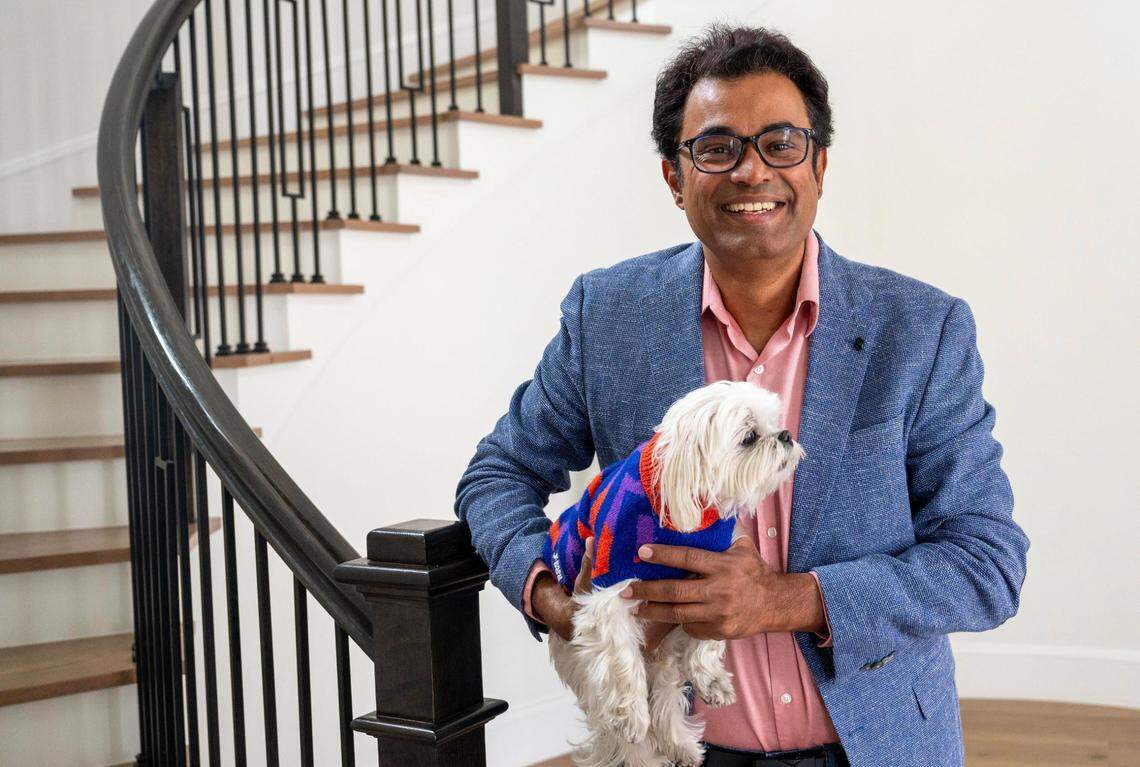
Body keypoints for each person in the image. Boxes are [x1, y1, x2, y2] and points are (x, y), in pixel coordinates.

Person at [454, 23, 1029, 767]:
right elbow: (496, 475)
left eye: (781, 143)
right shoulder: (608, 318)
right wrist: (556, 602)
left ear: (819, 165)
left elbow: (988, 562)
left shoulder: (922, 330)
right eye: (717, 148)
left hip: (878, 747)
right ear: (674, 178)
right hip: (676, 749)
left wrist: (788, 598)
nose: (752, 172)